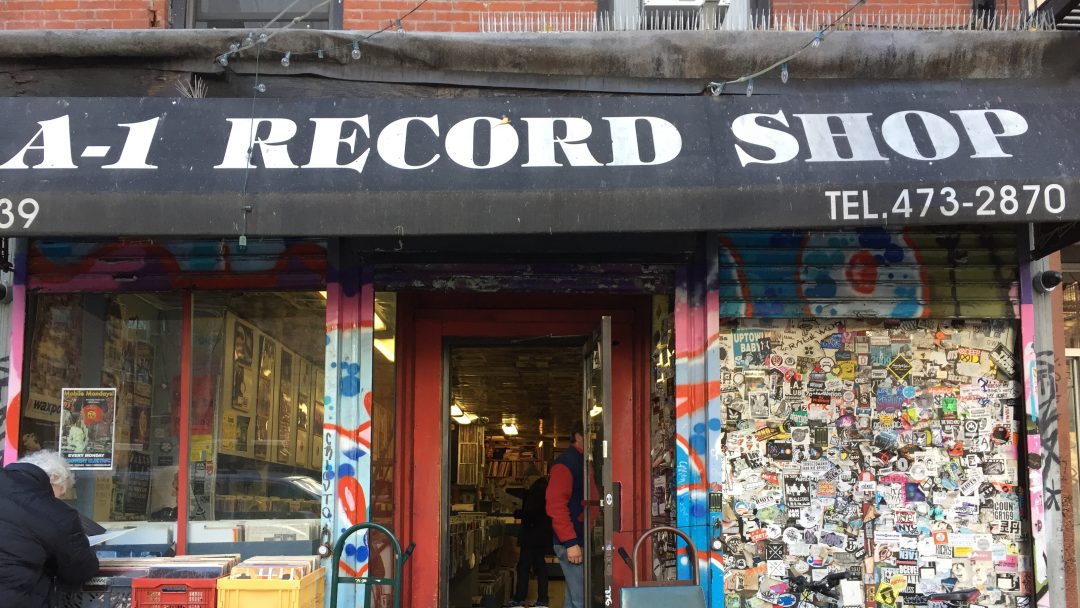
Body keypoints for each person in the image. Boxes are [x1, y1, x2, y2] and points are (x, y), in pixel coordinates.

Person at [0, 450, 100, 607]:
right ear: (54, 480)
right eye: (61, 493)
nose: (59, 499)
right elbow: (81, 569)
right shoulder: (55, 512)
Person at [545, 421, 587, 608]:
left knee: (574, 599)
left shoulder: (581, 461)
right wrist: (570, 542)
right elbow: (555, 505)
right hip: (572, 542)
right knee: (581, 600)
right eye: (591, 435)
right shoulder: (566, 463)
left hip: (577, 540)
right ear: (578, 436)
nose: (594, 440)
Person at [509, 465, 552, 608]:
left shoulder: (537, 490)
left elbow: (531, 512)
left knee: (524, 567)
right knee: (540, 567)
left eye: (527, 479)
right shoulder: (543, 487)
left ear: (533, 476)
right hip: (540, 535)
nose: (526, 482)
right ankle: (542, 599)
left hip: (532, 535)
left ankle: (519, 599)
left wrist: (516, 512)